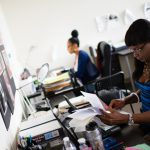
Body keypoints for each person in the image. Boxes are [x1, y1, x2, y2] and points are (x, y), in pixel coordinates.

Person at [99, 19, 150, 132]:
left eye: (139, 48)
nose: (135, 54)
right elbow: (145, 91)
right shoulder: (145, 63)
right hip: (145, 124)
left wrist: (128, 118)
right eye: (132, 50)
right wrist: (125, 100)